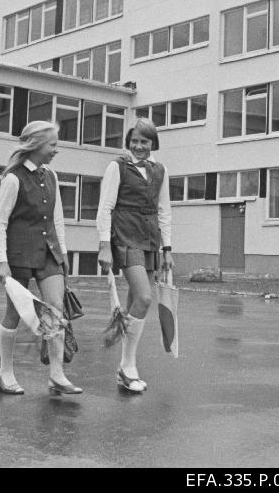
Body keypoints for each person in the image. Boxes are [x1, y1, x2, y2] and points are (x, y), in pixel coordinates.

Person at [0, 121, 82, 396]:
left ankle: (57, 374)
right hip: (18, 255)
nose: (56, 150)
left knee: (55, 309)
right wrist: (2, 260)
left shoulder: (51, 176)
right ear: (36, 145)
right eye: (52, 145)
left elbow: (58, 219)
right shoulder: (13, 178)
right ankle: (5, 373)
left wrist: (63, 253)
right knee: (15, 314)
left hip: (49, 253)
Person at [97, 117, 174, 394]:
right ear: (128, 142)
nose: (138, 146)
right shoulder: (117, 167)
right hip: (126, 236)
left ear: (153, 143)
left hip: (150, 238)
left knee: (134, 302)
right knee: (143, 297)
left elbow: (164, 210)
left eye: (144, 141)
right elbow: (105, 207)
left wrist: (167, 249)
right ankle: (128, 367)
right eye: (135, 141)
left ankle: (125, 368)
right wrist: (104, 244)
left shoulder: (160, 171)